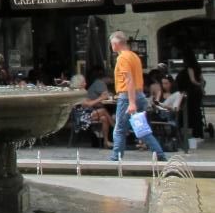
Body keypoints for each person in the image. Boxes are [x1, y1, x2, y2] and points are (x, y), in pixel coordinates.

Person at [109, 31, 167, 162]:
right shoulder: (134, 56)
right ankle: (160, 154)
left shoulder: (122, 58)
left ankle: (116, 158)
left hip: (127, 96)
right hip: (140, 95)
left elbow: (128, 79)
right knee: (141, 128)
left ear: (116, 44)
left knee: (119, 129)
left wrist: (131, 102)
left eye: (112, 44)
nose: (111, 47)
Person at [72, 72, 114, 148]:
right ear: (79, 83)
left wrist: (99, 100)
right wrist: (101, 98)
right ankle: (115, 128)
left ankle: (106, 142)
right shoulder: (77, 93)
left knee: (104, 118)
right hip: (81, 118)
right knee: (103, 110)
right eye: (84, 82)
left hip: (86, 114)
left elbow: (90, 102)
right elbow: (88, 104)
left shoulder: (83, 92)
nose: (85, 83)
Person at [174, 51, 205, 140]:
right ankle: (198, 133)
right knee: (197, 112)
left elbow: (192, 80)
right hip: (197, 93)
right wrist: (201, 88)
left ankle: (189, 132)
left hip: (191, 92)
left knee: (190, 112)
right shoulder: (197, 67)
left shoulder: (189, 67)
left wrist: (197, 84)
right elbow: (202, 80)